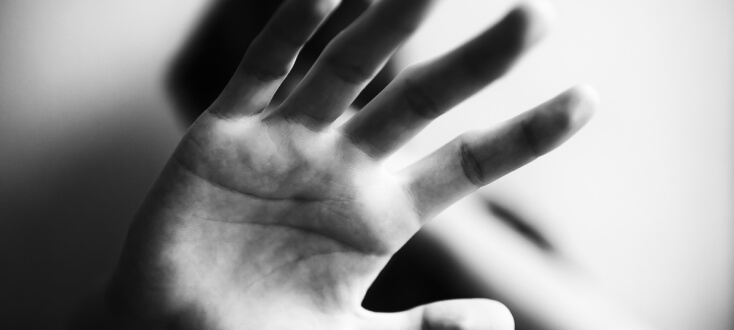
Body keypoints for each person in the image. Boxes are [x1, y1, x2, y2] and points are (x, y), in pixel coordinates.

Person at [74, 0, 601, 328]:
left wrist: (440, 213)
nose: (296, 140)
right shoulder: (177, 277)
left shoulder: (491, 225)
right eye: (266, 108)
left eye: (317, 79)